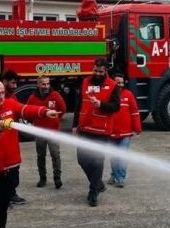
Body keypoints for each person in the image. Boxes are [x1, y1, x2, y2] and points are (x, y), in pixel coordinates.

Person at [0, 79, 58, 228]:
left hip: (9, 165)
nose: (0, 97)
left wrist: (44, 111)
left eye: (2, 93)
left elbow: (26, 109)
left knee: (3, 202)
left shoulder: (10, 104)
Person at [72, 58, 121, 207]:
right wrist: (75, 125)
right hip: (85, 128)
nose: (97, 74)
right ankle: (98, 183)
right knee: (82, 159)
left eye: (100, 71)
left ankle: (93, 193)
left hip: (102, 130)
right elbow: (78, 104)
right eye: (95, 70)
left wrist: (101, 104)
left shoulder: (112, 85)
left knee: (97, 161)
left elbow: (116, 106)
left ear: (106, 71)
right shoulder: (86, 82)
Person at [25, 76, 67, 188]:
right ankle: (42, 178)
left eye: (48, 84)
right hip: (40, 132)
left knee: (55, 154)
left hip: (53, 131)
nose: (46, 86)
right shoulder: (32, 98)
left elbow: (63, 109)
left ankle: (57, 178)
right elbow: (28, 112)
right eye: (43, 84)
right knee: (41, 155)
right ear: (38, 84)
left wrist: (56, 120)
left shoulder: (55, 95)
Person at [107, 73, 142, 187]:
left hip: (125, 133)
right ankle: (114, 175)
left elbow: (135, 112)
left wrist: (137, 128)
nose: (120, 85)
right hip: (111, 133)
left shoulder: (129, 95)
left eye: (122, 83)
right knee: (113, 157)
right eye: (118, 83)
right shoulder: (108, 96)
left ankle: (120, 178)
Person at [0, 70, 27, 206]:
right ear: (4, 82)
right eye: (13, 83)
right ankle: (5, 197)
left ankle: (11, 194)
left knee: (14, 169)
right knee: (3, 171)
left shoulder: (13, 98)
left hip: (12, 140)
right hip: (0, 141)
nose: (15, 86)